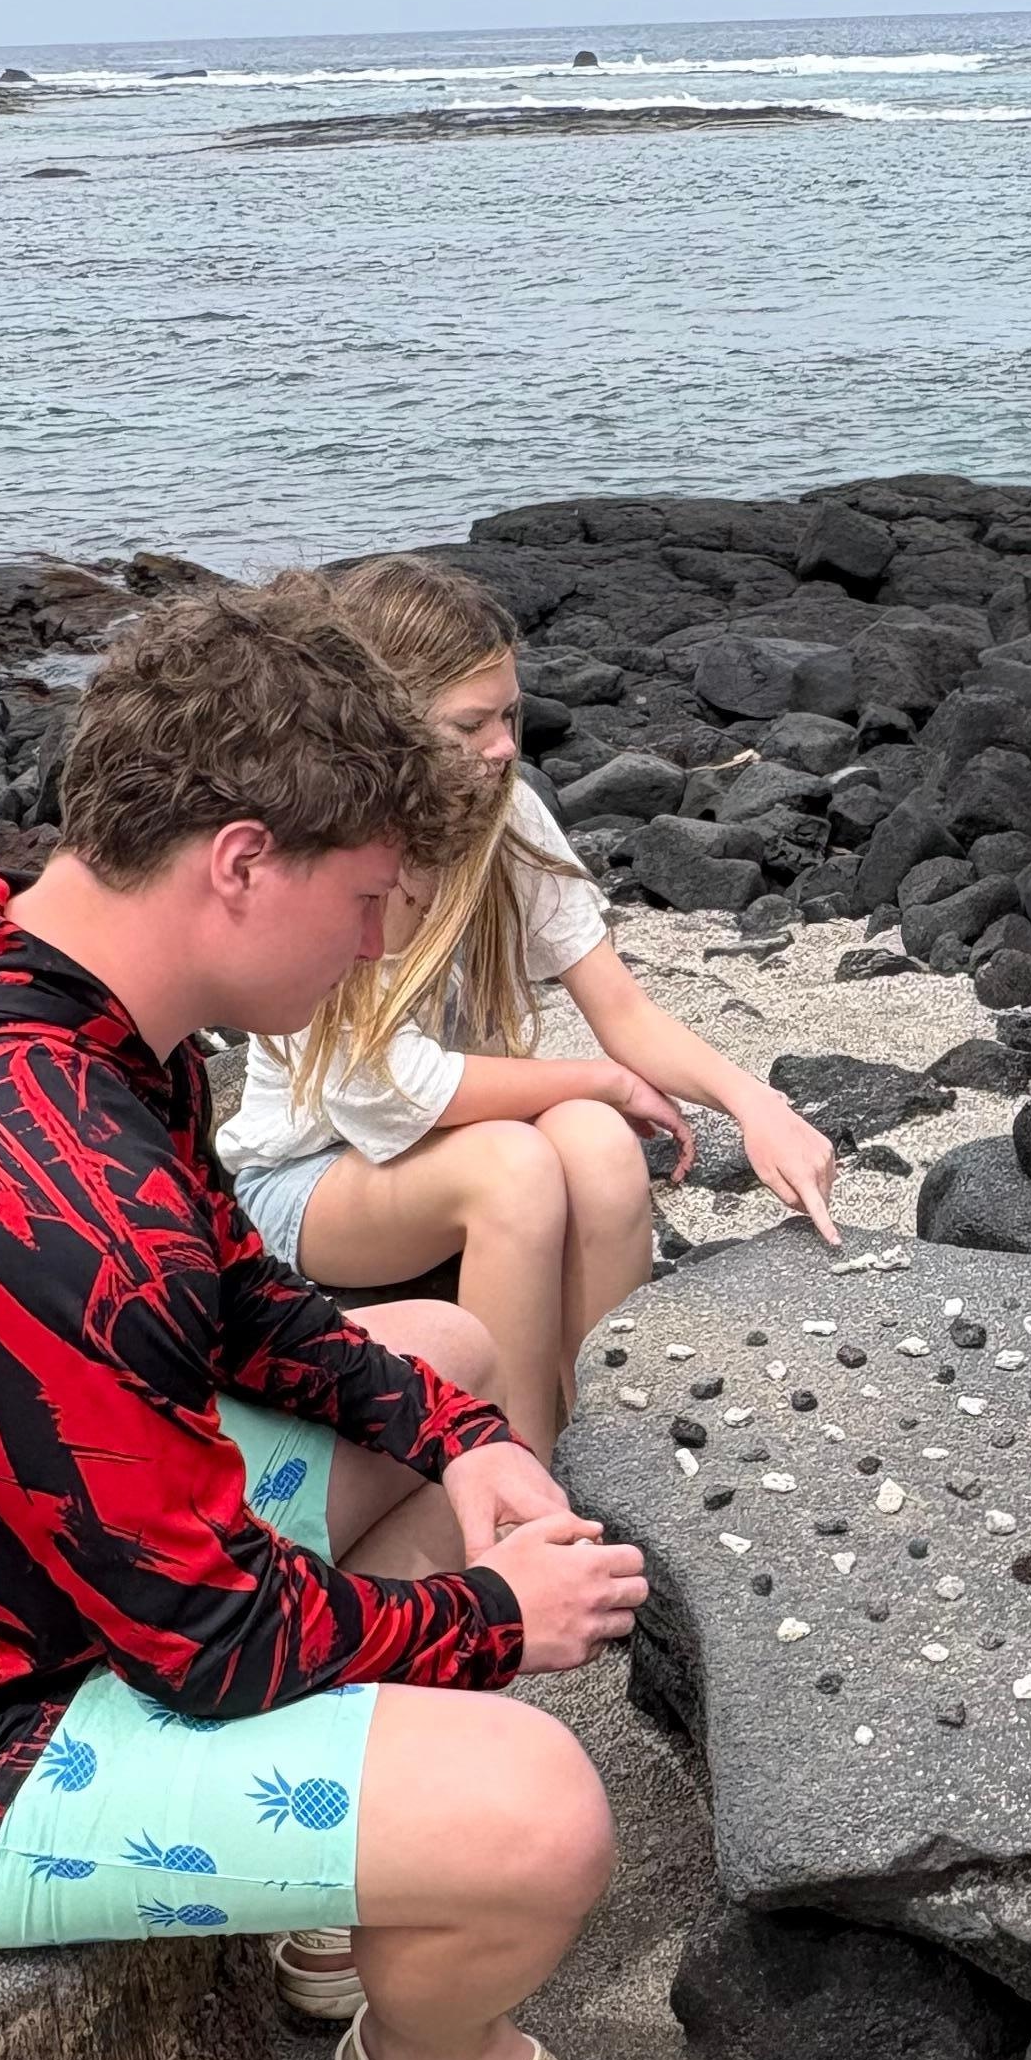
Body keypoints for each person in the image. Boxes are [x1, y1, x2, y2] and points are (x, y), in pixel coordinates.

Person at [0, 585, 701, 2060]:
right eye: (366, 899)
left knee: (438, 1351)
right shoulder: (37, 1186)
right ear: (239, 860)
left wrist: (468, 1439)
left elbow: (233, 1293)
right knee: (541, 1812)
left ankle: (344, 1870)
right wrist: (489, 1620)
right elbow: (211, 1641)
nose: (378, 946)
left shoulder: (25, 988)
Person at [223, 552, 842, 1447]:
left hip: (465, 1140)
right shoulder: (320, 851)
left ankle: (610, 1444)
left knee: (595, 1144)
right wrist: (601, 1082)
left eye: (509, 714)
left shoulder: (503, 815)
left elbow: (622, 1012)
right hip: (308, 1179)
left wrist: (756, 1105)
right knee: (519, 1163)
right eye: (470, 724)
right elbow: (383, 1089)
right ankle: (518, 1473)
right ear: (383, 729)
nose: (505, 747)